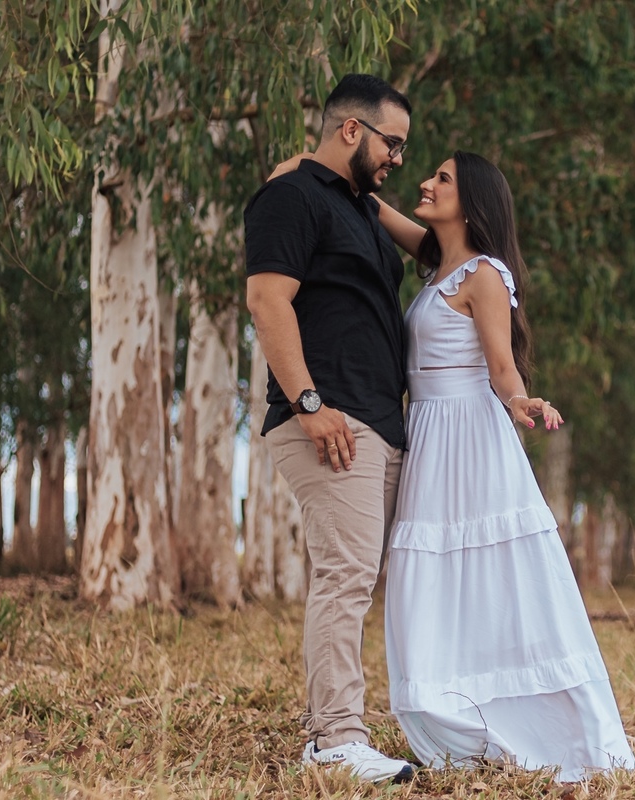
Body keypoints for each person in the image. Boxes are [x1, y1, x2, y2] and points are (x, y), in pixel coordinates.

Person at [378, 152, 635, 781]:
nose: (426, 183)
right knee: (432, 572)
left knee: (494, 572)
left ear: (471, 204)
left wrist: (521, 400)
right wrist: (323, 172)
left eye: (443, 179)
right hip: (430, 435)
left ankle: (550, 727)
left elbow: (500, 365)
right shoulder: (437, 265)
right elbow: (376, 209)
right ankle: (450, 707)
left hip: (470, 434)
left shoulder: (485, 274)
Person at [243, 74, 415, 784]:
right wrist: (310, 404)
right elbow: (266, 299)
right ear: (352, 129)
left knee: (364, 578)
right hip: (329, 418)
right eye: (392, 144)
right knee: (345, 576)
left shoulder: (359, 206)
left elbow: (438, 249)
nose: (398, 158)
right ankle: (335, 741)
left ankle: (358, 726)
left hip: (379, 421)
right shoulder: (291, 198)